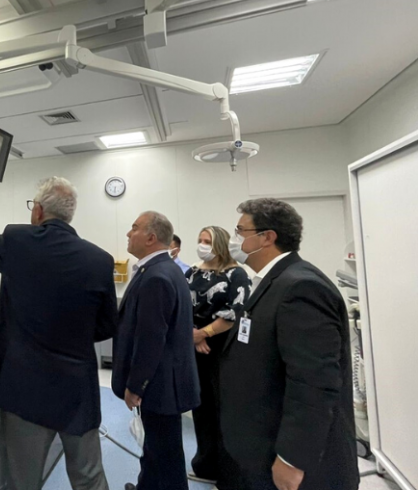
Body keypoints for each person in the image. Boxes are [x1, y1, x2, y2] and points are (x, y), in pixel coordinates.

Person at [0, 177, 117, 490]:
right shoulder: (100, 260)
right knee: (89, 477)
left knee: (23, 480)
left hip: (26, 389)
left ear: (39, 210)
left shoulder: (19, 241)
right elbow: (107, 326)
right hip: (78, 391)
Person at [219, 198, 358, 490]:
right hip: (262, 440)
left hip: (295, 463)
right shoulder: (274, 280)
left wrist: (292, 458)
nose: (235, 238)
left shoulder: (301, 287)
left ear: (267, 237)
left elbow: (314, 382)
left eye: (240, 230)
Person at [113, 211, 200, 490]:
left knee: (166, 457)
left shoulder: (157, 277)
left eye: (134, 228)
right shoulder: (162, 269)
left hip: (160, 385)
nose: (128, 233)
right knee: (154, 449)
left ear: (151, 238)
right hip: (164, 382)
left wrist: (136, 385)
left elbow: (151, 340)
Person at [185, 226, 251, 485]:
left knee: (224, 411)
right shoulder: (192, 272)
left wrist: (205, 333)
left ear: (220, 244)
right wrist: (195, 335)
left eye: (208, 241)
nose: (202, 245)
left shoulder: (236, 274)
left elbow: (237, 311)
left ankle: (228, 473)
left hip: (223, 349)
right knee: (201, 409)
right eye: (200, 240)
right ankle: (205, 465)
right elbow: (181, 305)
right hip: (195, 347)